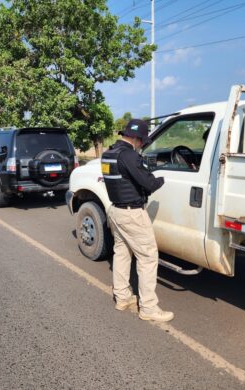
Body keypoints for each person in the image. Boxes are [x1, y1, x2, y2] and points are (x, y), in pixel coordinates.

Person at [101, 119, 174, 322]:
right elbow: (149, 184)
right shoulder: (129, 156)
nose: (142, 144)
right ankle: (149, 308)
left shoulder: (109, 154)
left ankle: (122, 297)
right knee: (148, 257)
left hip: (115, 210)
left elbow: (121, 179)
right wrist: (162, 178)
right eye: (142, 140)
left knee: (122, 253)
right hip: (132, 214)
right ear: (136, 138)